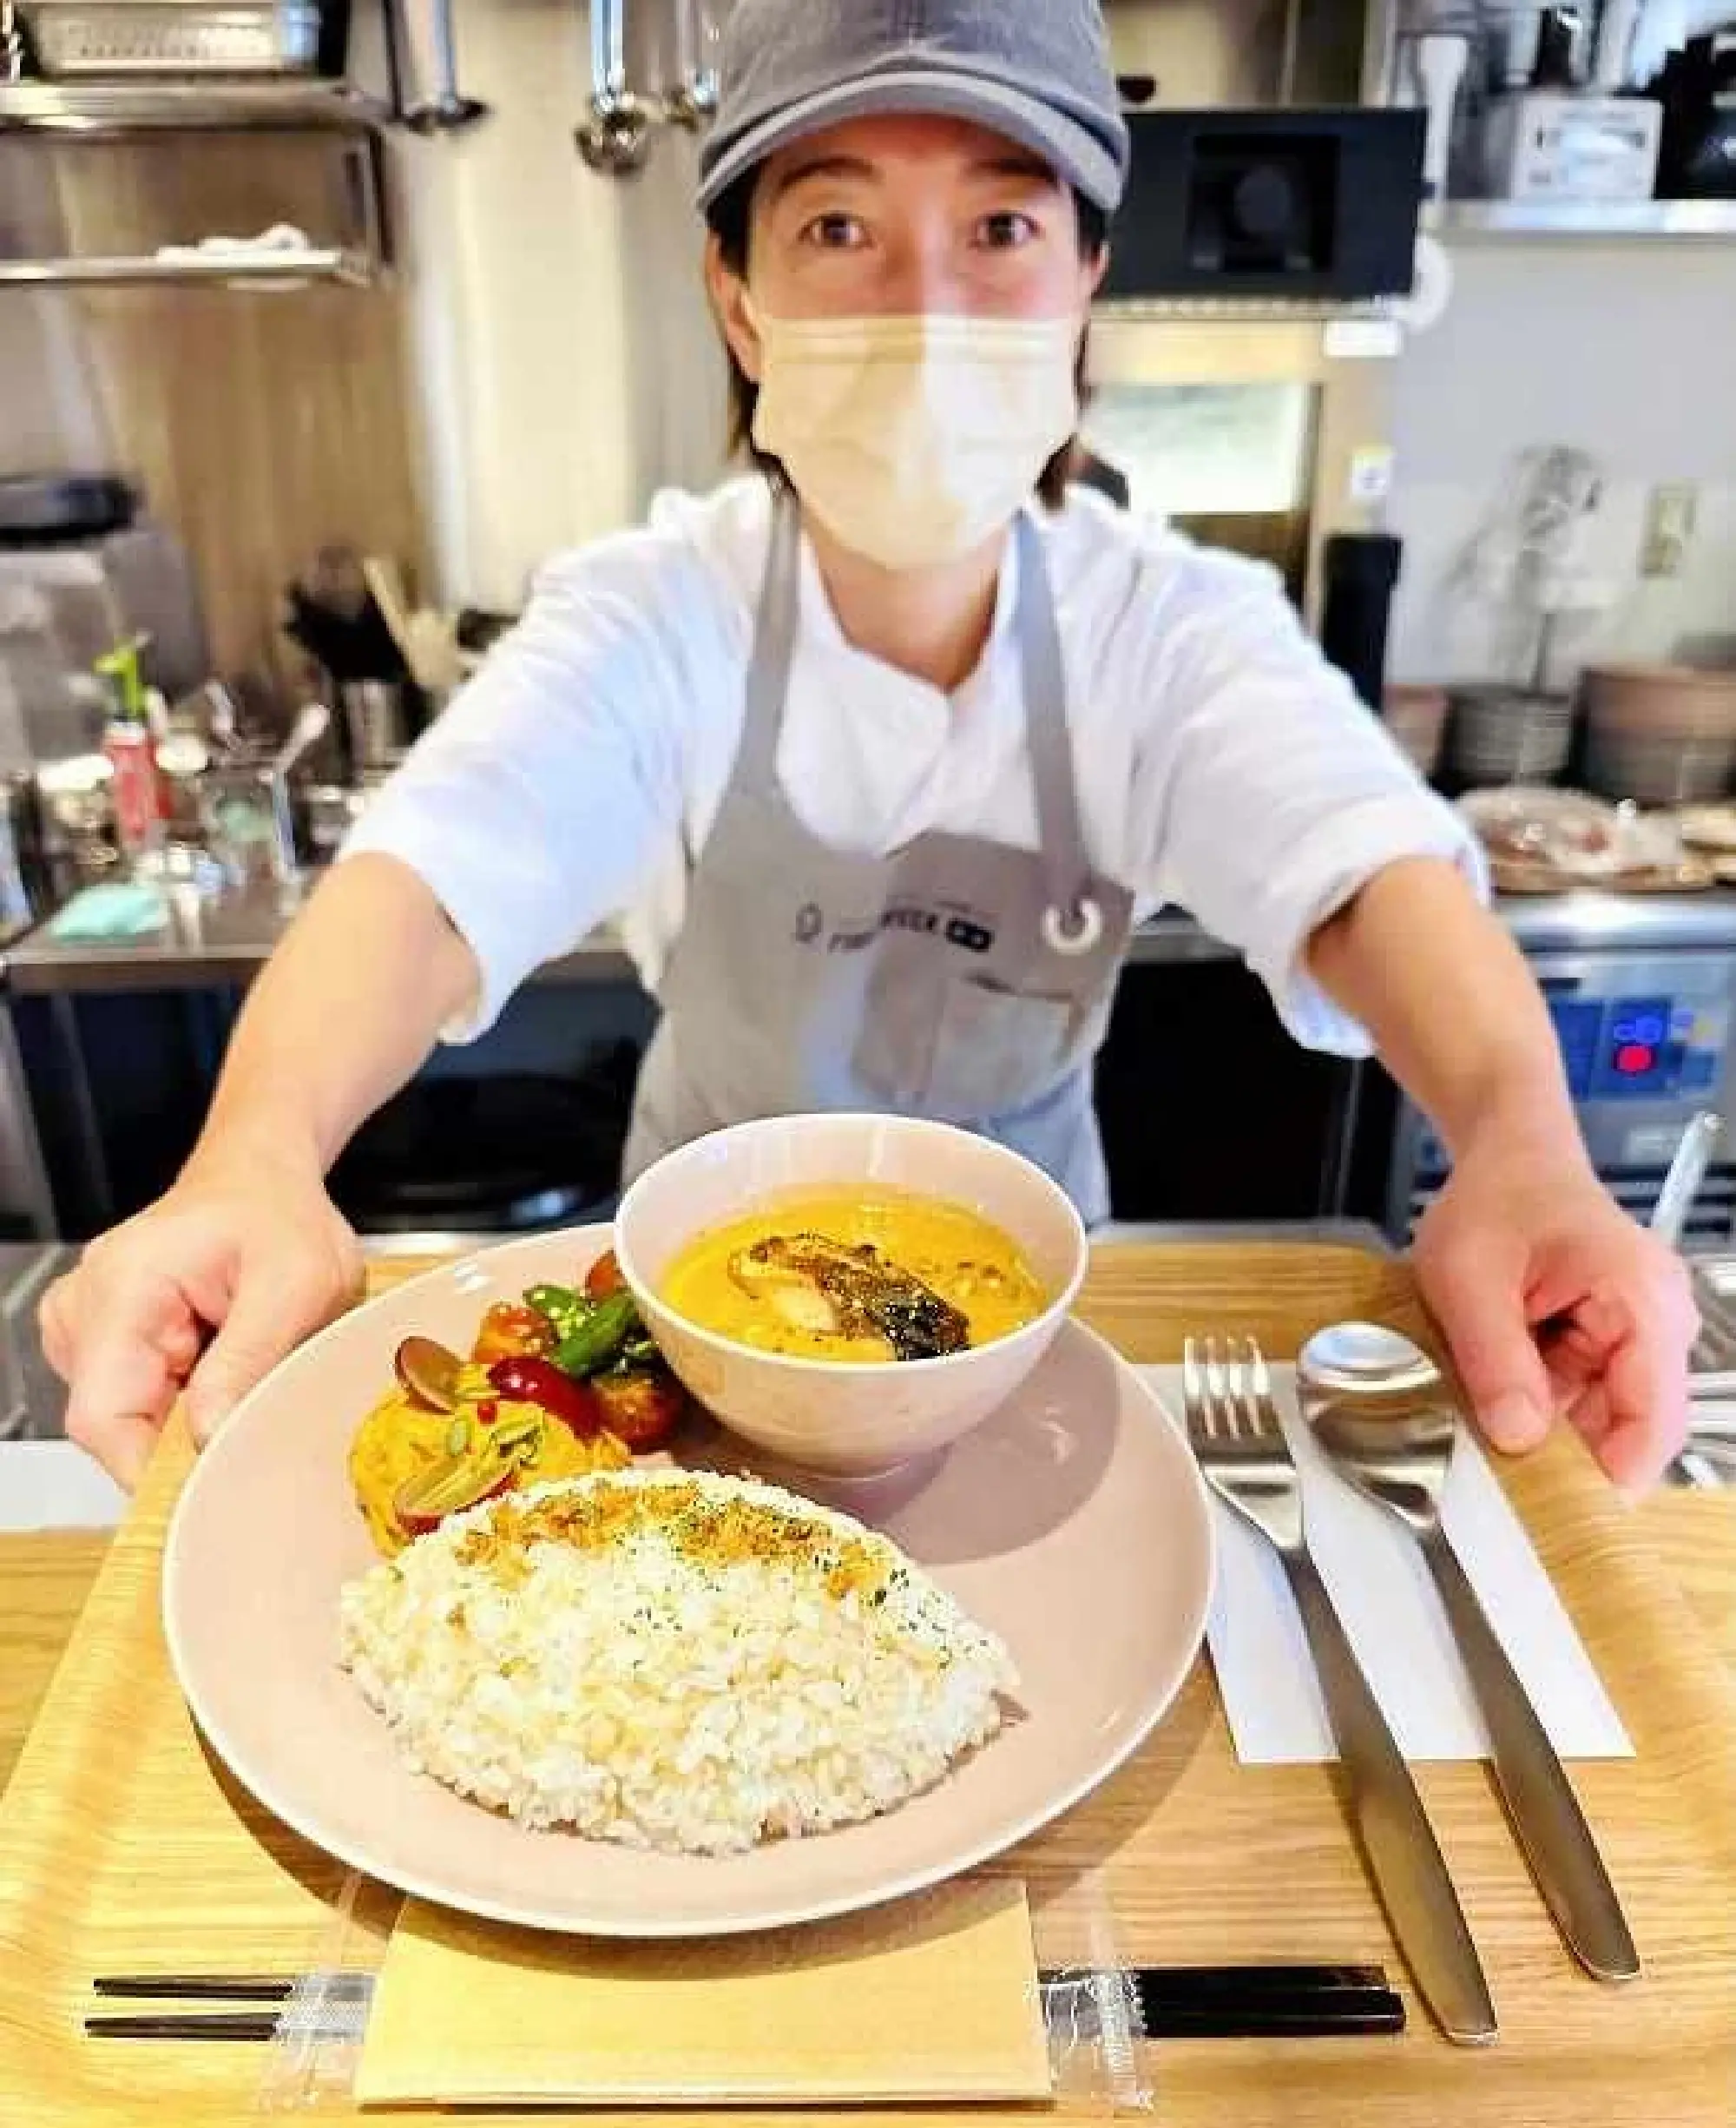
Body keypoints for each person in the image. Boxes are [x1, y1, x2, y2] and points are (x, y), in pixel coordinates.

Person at [42, 0, 1692, 1490]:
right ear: (738, 298)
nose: (926, 302)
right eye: (838, 225)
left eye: (1000, 225)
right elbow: (432, 877)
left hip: (1033, 1356)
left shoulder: (1169, 624)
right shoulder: (654, 612)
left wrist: (1522, 1144)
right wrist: (255, 1154)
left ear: (1086, 278)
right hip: (686, 1364)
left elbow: (1368, 874)